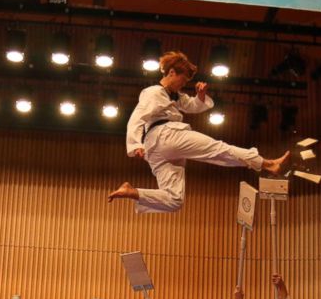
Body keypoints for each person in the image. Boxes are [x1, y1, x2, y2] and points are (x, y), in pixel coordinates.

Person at [108, 51, 289, 214]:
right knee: (217, 149)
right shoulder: (153, 92)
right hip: (166, 135)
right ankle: (267, 164)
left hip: (156, 150)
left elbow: (193, 106)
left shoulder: (176, 96)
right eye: (183, 79)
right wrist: (135, 144)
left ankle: (132, 192)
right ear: (171, 72)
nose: (183, 84)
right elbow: (137, 117)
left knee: (174, 200)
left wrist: (201, 96)